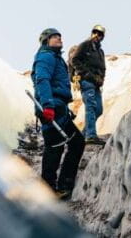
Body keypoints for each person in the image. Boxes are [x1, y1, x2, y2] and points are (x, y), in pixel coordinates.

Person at [31, 28, 85, 199]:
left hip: (59, 108)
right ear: (46, 40)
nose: (60, 38)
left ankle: (64, 184)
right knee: (54, 147)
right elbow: (42, 80)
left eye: (60, 36)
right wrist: (47, 106)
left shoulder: (55, 57)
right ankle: (48, 190)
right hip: (51, 108)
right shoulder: (45, 56)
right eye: (55, 37)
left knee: (76, 142)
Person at [70, 25, 107, 145]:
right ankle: (91, 135)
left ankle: (82, 135)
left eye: (100, 34)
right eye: (95, 32)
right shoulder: (85, 45)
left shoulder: (100, 51)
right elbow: (74, 59)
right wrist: (85, 73)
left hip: (97, 83)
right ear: (92, 33)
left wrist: (101, 78)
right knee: (90, 106)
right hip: (86, 81)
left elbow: (103, 68)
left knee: (99, 110)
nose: (97, 35)